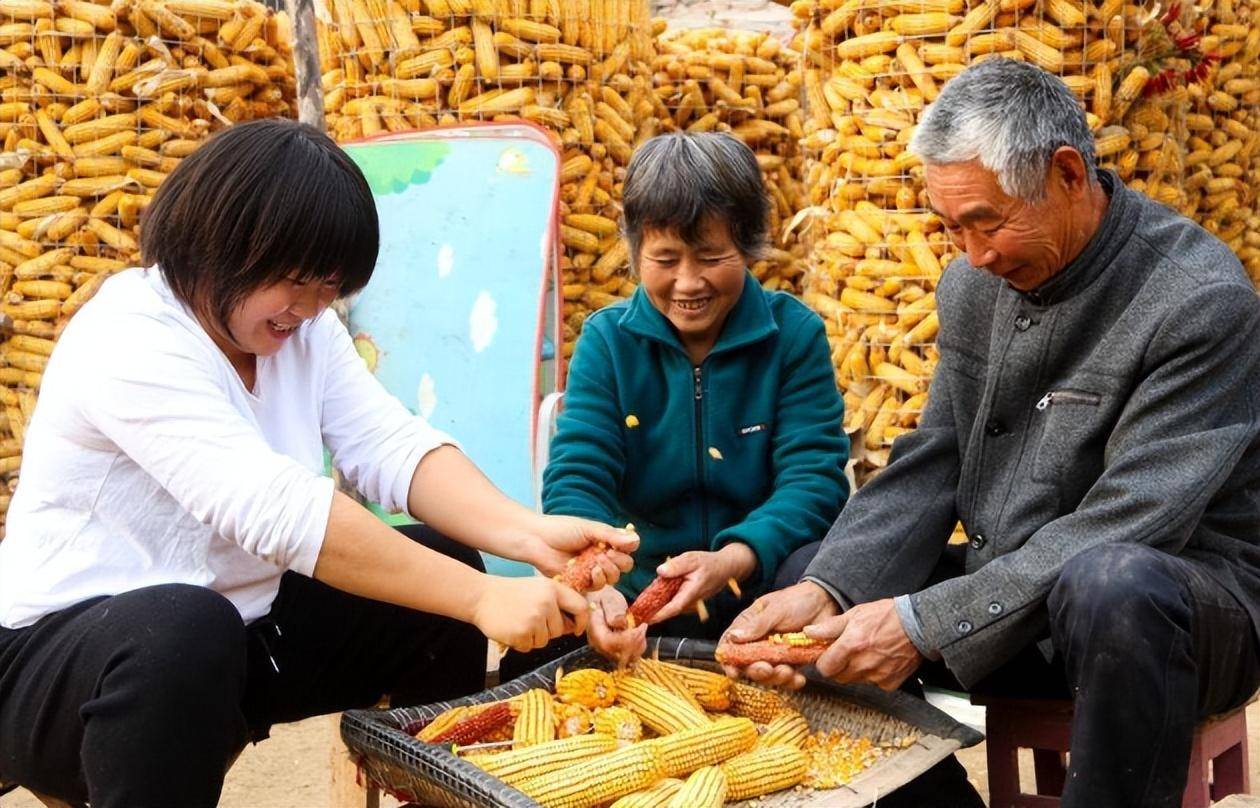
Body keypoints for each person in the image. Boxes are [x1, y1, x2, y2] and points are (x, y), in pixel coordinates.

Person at [0, 119, 635, 808]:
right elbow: (275, 509)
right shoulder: (129, 335)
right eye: (293, 282)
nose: (307, 307)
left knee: (442, 569)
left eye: (327, 286)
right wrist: (485, 601)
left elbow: (389, 445)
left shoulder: (300, 330)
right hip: (61, 661)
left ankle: (429, 797)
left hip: (240, 627)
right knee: (183, 630)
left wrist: (524, 534)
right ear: (218, 246)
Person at [720, 58, 1260, 808]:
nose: (974, 254)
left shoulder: (1198, 300)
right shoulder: (974, 286)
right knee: (813, 577)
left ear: (1069, 174)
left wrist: (924, 621)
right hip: (1015, 595)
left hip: (1175, 617)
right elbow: (936, 458)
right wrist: (830, 587)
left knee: (1112, 582)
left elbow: (1135, 520)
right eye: (952, 227)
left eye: (989, 222)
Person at [533, 132, 849, 670]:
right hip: (640, 594)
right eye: (665, 258)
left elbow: (814, 480)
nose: (687, 281)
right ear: (633, 252)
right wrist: (594, 583)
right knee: (543, 650)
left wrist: (734, 558)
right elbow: (578, 476)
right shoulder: (608, 342)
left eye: (710, 257)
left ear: (748, 247)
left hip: (764, 588)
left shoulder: (793, 336)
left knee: (826, 572)